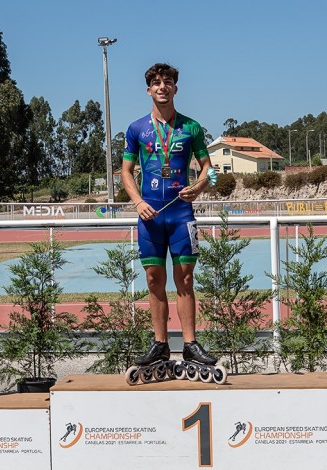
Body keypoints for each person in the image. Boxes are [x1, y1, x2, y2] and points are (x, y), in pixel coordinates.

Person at [121, 63, 216, 368]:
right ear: (149, 89)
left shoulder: (192, 128)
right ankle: (160, 344)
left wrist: (199, 188)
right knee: (153, 279)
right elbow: (125, 171)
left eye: (168, 82)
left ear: (176, 88)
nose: (162, 87)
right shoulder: (136, 129)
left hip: (181, 214)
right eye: (157, 83)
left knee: (185, 279)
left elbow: (210, 171)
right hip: (149, 215)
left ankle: (190, 344)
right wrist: (137, 202)